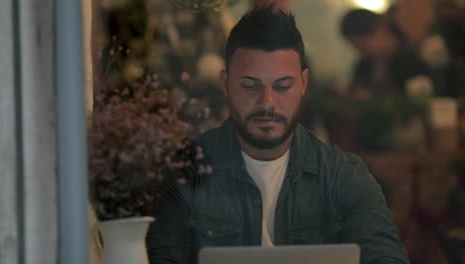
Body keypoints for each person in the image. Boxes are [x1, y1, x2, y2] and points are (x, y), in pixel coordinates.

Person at [147, 5, 410, 264]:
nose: (267, 103)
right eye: (250, 86)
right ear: (225, 84)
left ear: (303, 83)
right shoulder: (185, 172)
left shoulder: (344, 175)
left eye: (282, 86)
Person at [340, 9, 433, 98]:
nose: (361, 53)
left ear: (380, 29)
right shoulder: (364, 64)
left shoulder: (413, 62)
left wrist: (371, 98)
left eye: (362, 45)